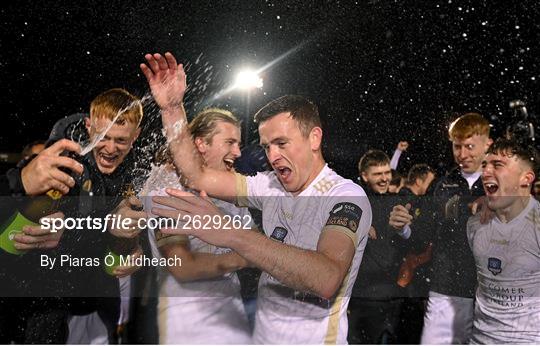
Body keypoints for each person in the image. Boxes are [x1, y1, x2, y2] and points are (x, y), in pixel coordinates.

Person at [140, 52, 372, 344]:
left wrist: (233, 236)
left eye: (281, 143)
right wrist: (173, 109)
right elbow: (197, 176)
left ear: (314, 138)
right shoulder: (269, 186)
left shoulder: (346, 196)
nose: (272, 156)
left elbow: (326, 280)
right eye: (266, 146)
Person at [141, 108, 251, 344]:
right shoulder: (167, 193)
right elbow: (183, 267)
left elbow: (257, 238)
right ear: (201, 143)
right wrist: (250, 255)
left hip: (234, 322)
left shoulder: (232, 195)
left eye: (238, 144)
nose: (238, 152)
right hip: (188, 328)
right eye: (230, 142)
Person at [49, 88, 146, 344]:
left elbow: (133, 226)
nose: (110, 148)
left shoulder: (137, 170)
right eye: (103, 136)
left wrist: (137, 249)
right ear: (89, 127)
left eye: (121, 140)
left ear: (136, 136)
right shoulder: (65, 160)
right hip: (50, 290)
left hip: (99, 289)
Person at [0, 139, 83, 344]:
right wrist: (19, 181)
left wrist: (68, 230)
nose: (44, 172)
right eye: (36, 162)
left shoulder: (62, 211)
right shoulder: (10, 203)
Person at [420, 112, 492, 344]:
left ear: (487, 143)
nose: (462, 154)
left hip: (492, 289)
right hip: (449, 284)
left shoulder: (502, 182)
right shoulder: (442, 184)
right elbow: (431, 227)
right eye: (457, 147)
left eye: (470, 146)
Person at [467, 138, 540, 344]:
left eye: (497, 165)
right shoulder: (474, 225)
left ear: (526, 178)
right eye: (485, 165)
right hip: (479, 340)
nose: (486, 172)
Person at [348, 149, 409, 344]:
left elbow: (412, 242)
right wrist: (355, 225)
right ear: (365, 176)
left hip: (390, 292)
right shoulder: (350, 200)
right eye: (378, 174)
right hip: (360, 295)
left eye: (387, 173)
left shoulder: (398, 202)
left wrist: (404, 230)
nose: (384, 179)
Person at [388, 163, 436, 343]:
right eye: (430, 183)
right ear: (418, 180)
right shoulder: (407, 201)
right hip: (405, 278)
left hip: (405, 279)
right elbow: (411, 239)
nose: (433, 188)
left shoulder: (411, 200)